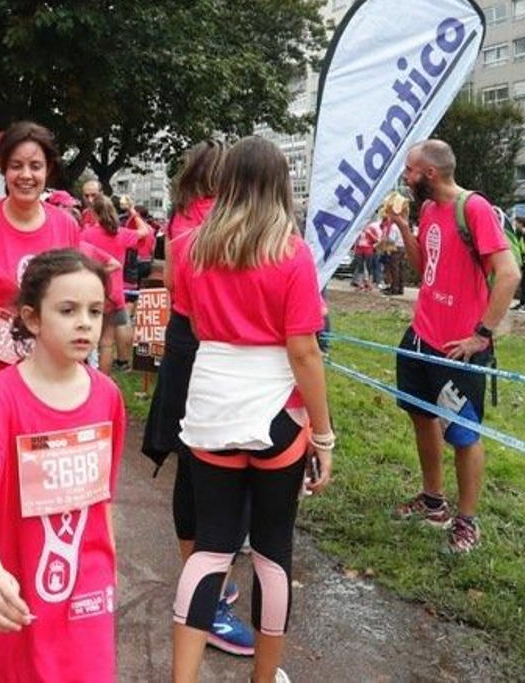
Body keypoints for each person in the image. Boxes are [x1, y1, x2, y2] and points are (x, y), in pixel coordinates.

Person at [169, 136, 333, 683]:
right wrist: (324, 435)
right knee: (271, 550)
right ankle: (265, 680)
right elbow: (304, 352)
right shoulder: (292, 253)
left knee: (210, 547)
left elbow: (191, 324)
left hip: (212, 403)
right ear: (280, 185)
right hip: (277, 412)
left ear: (226, 182)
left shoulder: (190, 247)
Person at [0, 249, 126, 682]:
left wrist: (110, 563)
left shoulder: (107, 397)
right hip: (16, 590)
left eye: (95, 311)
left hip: (89, 589)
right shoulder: (0, 399)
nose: (84, 322)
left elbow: (104, 496)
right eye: (67, 310)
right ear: (32, 318)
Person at [139, 139, 256, 658]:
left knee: (197, 464)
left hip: (190, 342)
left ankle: (206, 580)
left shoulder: (182, 221)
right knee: (216, 466)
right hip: (217, 346)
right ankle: (207, 599)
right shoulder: (218, 225)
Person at [388, 139, 519, 554]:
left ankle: (467, 521)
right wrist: (404, 227)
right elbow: (422, 268)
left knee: (463, 435)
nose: (405, 178)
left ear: (429, 173)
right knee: (421, 416)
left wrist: (481, 334)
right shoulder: (427, 209)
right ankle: (433, 502)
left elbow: (509, 274)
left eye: (409, 171)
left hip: (458, 347)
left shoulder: (473, 208)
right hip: (420, 336)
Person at [0, 122, 85, 426]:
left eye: (35, 166)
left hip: (48, 374)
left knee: (39, 472)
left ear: (48, 170)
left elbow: (73, 304)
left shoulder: (66, 226)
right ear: (3, 170)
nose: (26, 175)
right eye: (16, 166)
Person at [80, 194, 151, 372]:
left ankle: (86, 376)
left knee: (86, 339)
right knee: (107, 342)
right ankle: (104, 380)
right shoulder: (122, 234)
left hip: (91, 290)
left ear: (94, 214)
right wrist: (132, 211)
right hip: (115, 292)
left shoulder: (86, 235)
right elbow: (145, 231)